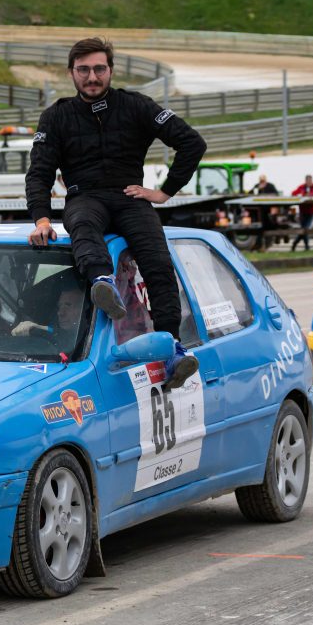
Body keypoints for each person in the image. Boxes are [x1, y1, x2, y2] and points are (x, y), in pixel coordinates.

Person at [25, 37, 207, 389]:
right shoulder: (56, 116)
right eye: (83, 70)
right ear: (71, 73)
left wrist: (164, 192)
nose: (91, 77)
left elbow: (192, 143)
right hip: (84, 196)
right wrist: (42, 219)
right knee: (80, 221)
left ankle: (172, 351)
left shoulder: (136, 105)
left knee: (159, 266)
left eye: (98, 69)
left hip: (130, 196)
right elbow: (40, 172)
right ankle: (102, 282)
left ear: (110, 70)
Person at [12, 284, 84, 339]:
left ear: (82, 309)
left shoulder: (90, 339)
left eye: (68, 305)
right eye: (59, 307)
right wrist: (35, 327)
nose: (60, 313)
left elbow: (55, 331)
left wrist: (37, 327)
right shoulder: (59, 332)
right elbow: (52, 330)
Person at [290, 175, 313, 251]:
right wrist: (302, 194)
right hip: (303, 211)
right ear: (305, 181)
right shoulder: (302, 187)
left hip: (311, 211)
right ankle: (305, 246)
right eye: (308, 181)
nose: (309, 182)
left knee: (305, 229)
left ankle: (296, 244)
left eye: (310, 181)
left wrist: (311, 194)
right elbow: (294, 193)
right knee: (304, 229)